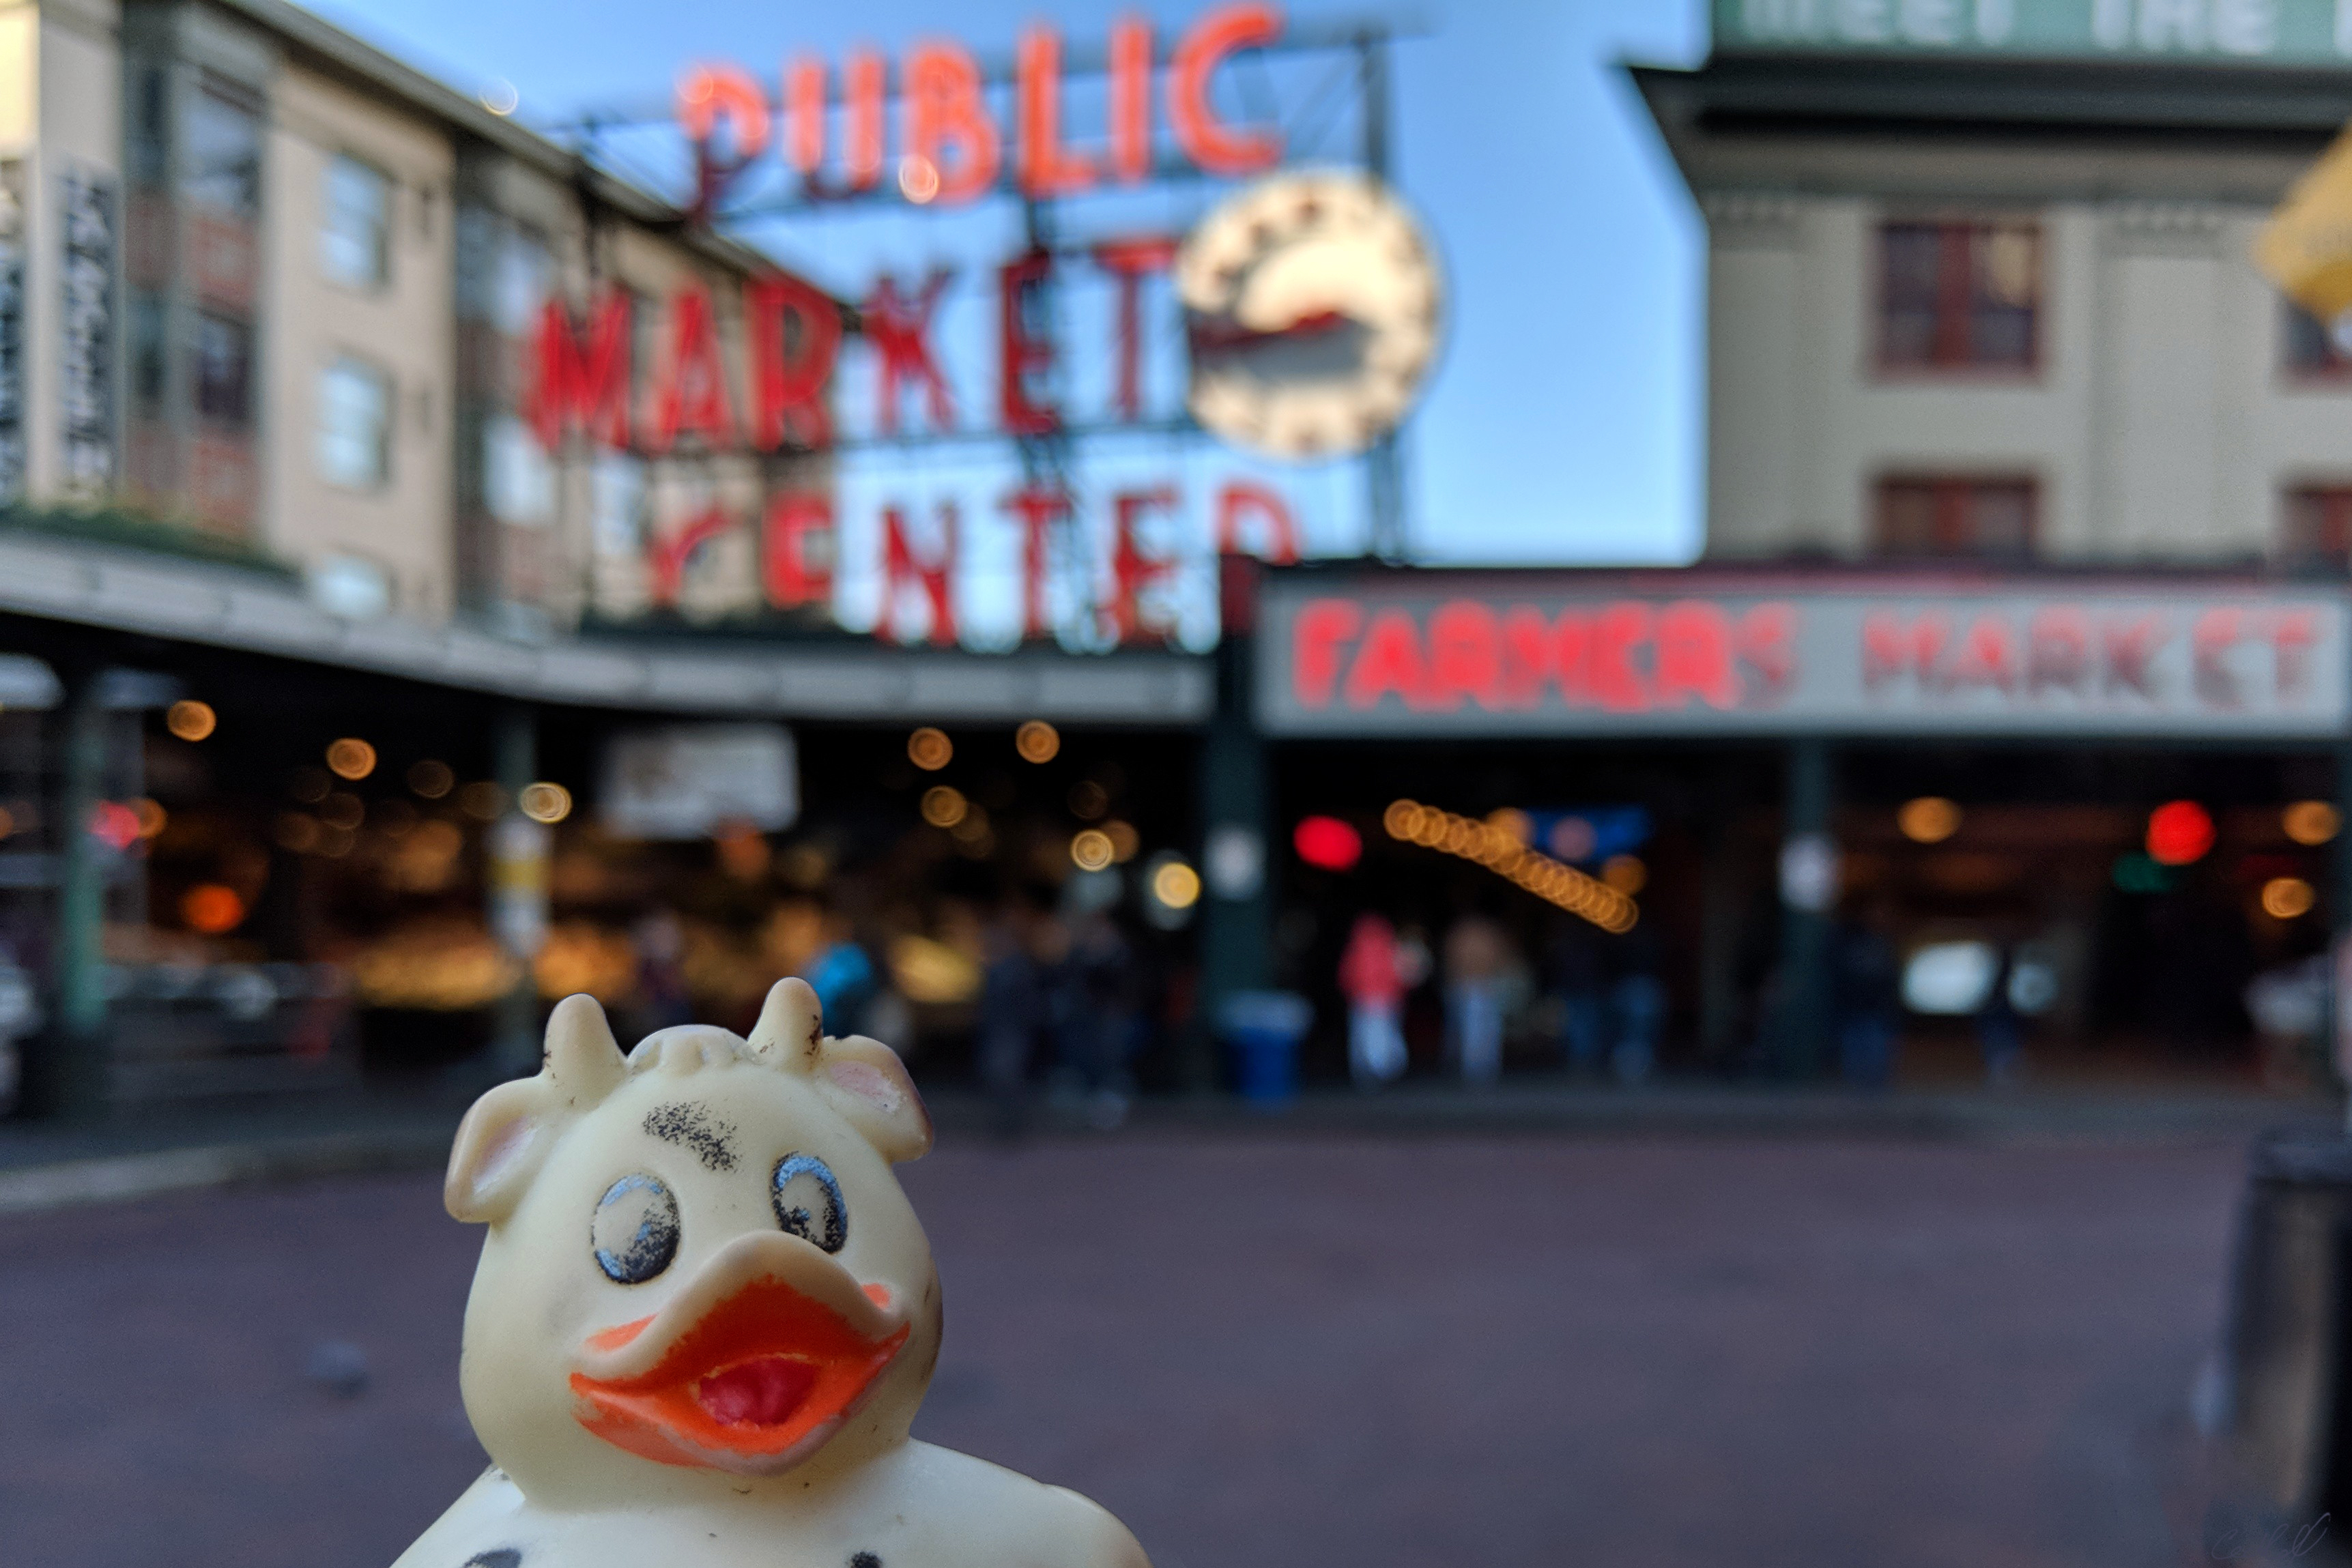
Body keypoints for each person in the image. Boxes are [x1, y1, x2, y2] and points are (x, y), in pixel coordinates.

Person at [976, 905, 1043, 1134]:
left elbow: (1027, 1004)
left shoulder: (1016, 968)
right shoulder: (997, 969)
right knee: (999, 1076)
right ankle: (1006, 1123)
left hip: (1012, 1032)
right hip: (999, 1031)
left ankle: (1013, 1125)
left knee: (1008, 1076)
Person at [1337, 912, 1409, 1088]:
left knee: (1366, 1038)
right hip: (1385, 1000)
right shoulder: (1389, 948)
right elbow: (1400, 976)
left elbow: (1346, 975)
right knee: (1383, 1036)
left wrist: (1351, 993)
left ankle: (1372, 1073)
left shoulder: (1357, 948)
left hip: (1364, 1000)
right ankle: (1381, 1072)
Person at [1831, 908, 1901, 1090]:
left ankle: (1874, 1092)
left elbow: (1890, 980)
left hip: (1875, 1012)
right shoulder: (1854, 944)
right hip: (1856, 1010)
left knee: (1875, 1055)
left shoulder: (1884, 945)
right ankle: (1857, 1093)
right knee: (1856, 1055)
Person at [1443, 912, 1512, 1086]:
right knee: (1484, 1029)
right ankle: (1483, 1066)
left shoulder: (1461, 935)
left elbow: (1452, 960)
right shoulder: (1489, 934)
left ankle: (1476, 1067)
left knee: (1474, 1029)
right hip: (1484, 986)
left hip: (1474, 986)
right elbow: (1501, 958)